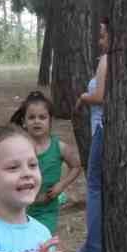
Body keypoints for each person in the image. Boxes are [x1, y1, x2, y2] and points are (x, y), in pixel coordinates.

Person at [10, 91, 82, 234]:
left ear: (50, 120)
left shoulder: (59, 147)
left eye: (42, 117)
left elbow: (76, 166)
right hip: (20, 209)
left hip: (47, 210)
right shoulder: (18, 146)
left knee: (43, 242)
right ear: (24, 121)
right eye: (31, 117)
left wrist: (61, 185)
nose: (37, 121)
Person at [70, 18, 109, 252]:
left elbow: (100, 96)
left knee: (94, 187)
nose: (99, 39)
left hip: (102, 129)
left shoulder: (107, 60)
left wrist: (83, 97)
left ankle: (94, 247)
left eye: (103, 34)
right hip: (106, 129)